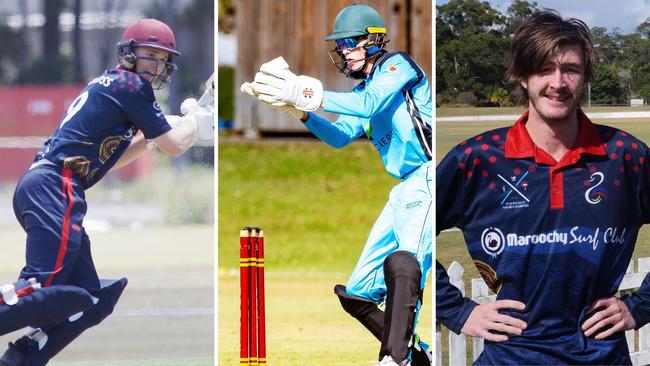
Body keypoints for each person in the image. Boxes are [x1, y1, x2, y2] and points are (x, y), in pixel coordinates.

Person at [436, 10, 650, 365]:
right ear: (521, 77)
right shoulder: (477, 160)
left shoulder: (624, 156)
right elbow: (410, 233)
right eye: (543, 69)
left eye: (571, 69)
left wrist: (640, 306)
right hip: (510, 356)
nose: (558, 82)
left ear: (584, 77)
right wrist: (458, 312)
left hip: (601, 355)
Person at [0, 18, 212, 365]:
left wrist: (156, 137)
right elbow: (176, 147)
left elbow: (109, 162)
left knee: (91, 297)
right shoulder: (132, 87)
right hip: (56, 186)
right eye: (149, 55)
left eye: (162, 59)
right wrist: (195, 123)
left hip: (48, 185)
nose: (156, 64)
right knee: (40, 286)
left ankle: (23, 357)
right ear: (128, 54)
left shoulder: (116, 86)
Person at [241, 4, 432, 365]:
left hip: (427, 176)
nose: (343, 50)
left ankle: (396, 357)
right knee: (357, 292)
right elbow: (342, 135)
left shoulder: (398, 66)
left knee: (406, 263)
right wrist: (299, 113)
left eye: (349, 42)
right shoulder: (365, 89)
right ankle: (421, 357)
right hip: (403, 188)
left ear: (374, 41)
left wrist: (305, 92)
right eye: (340, 45)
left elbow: (370, 102)